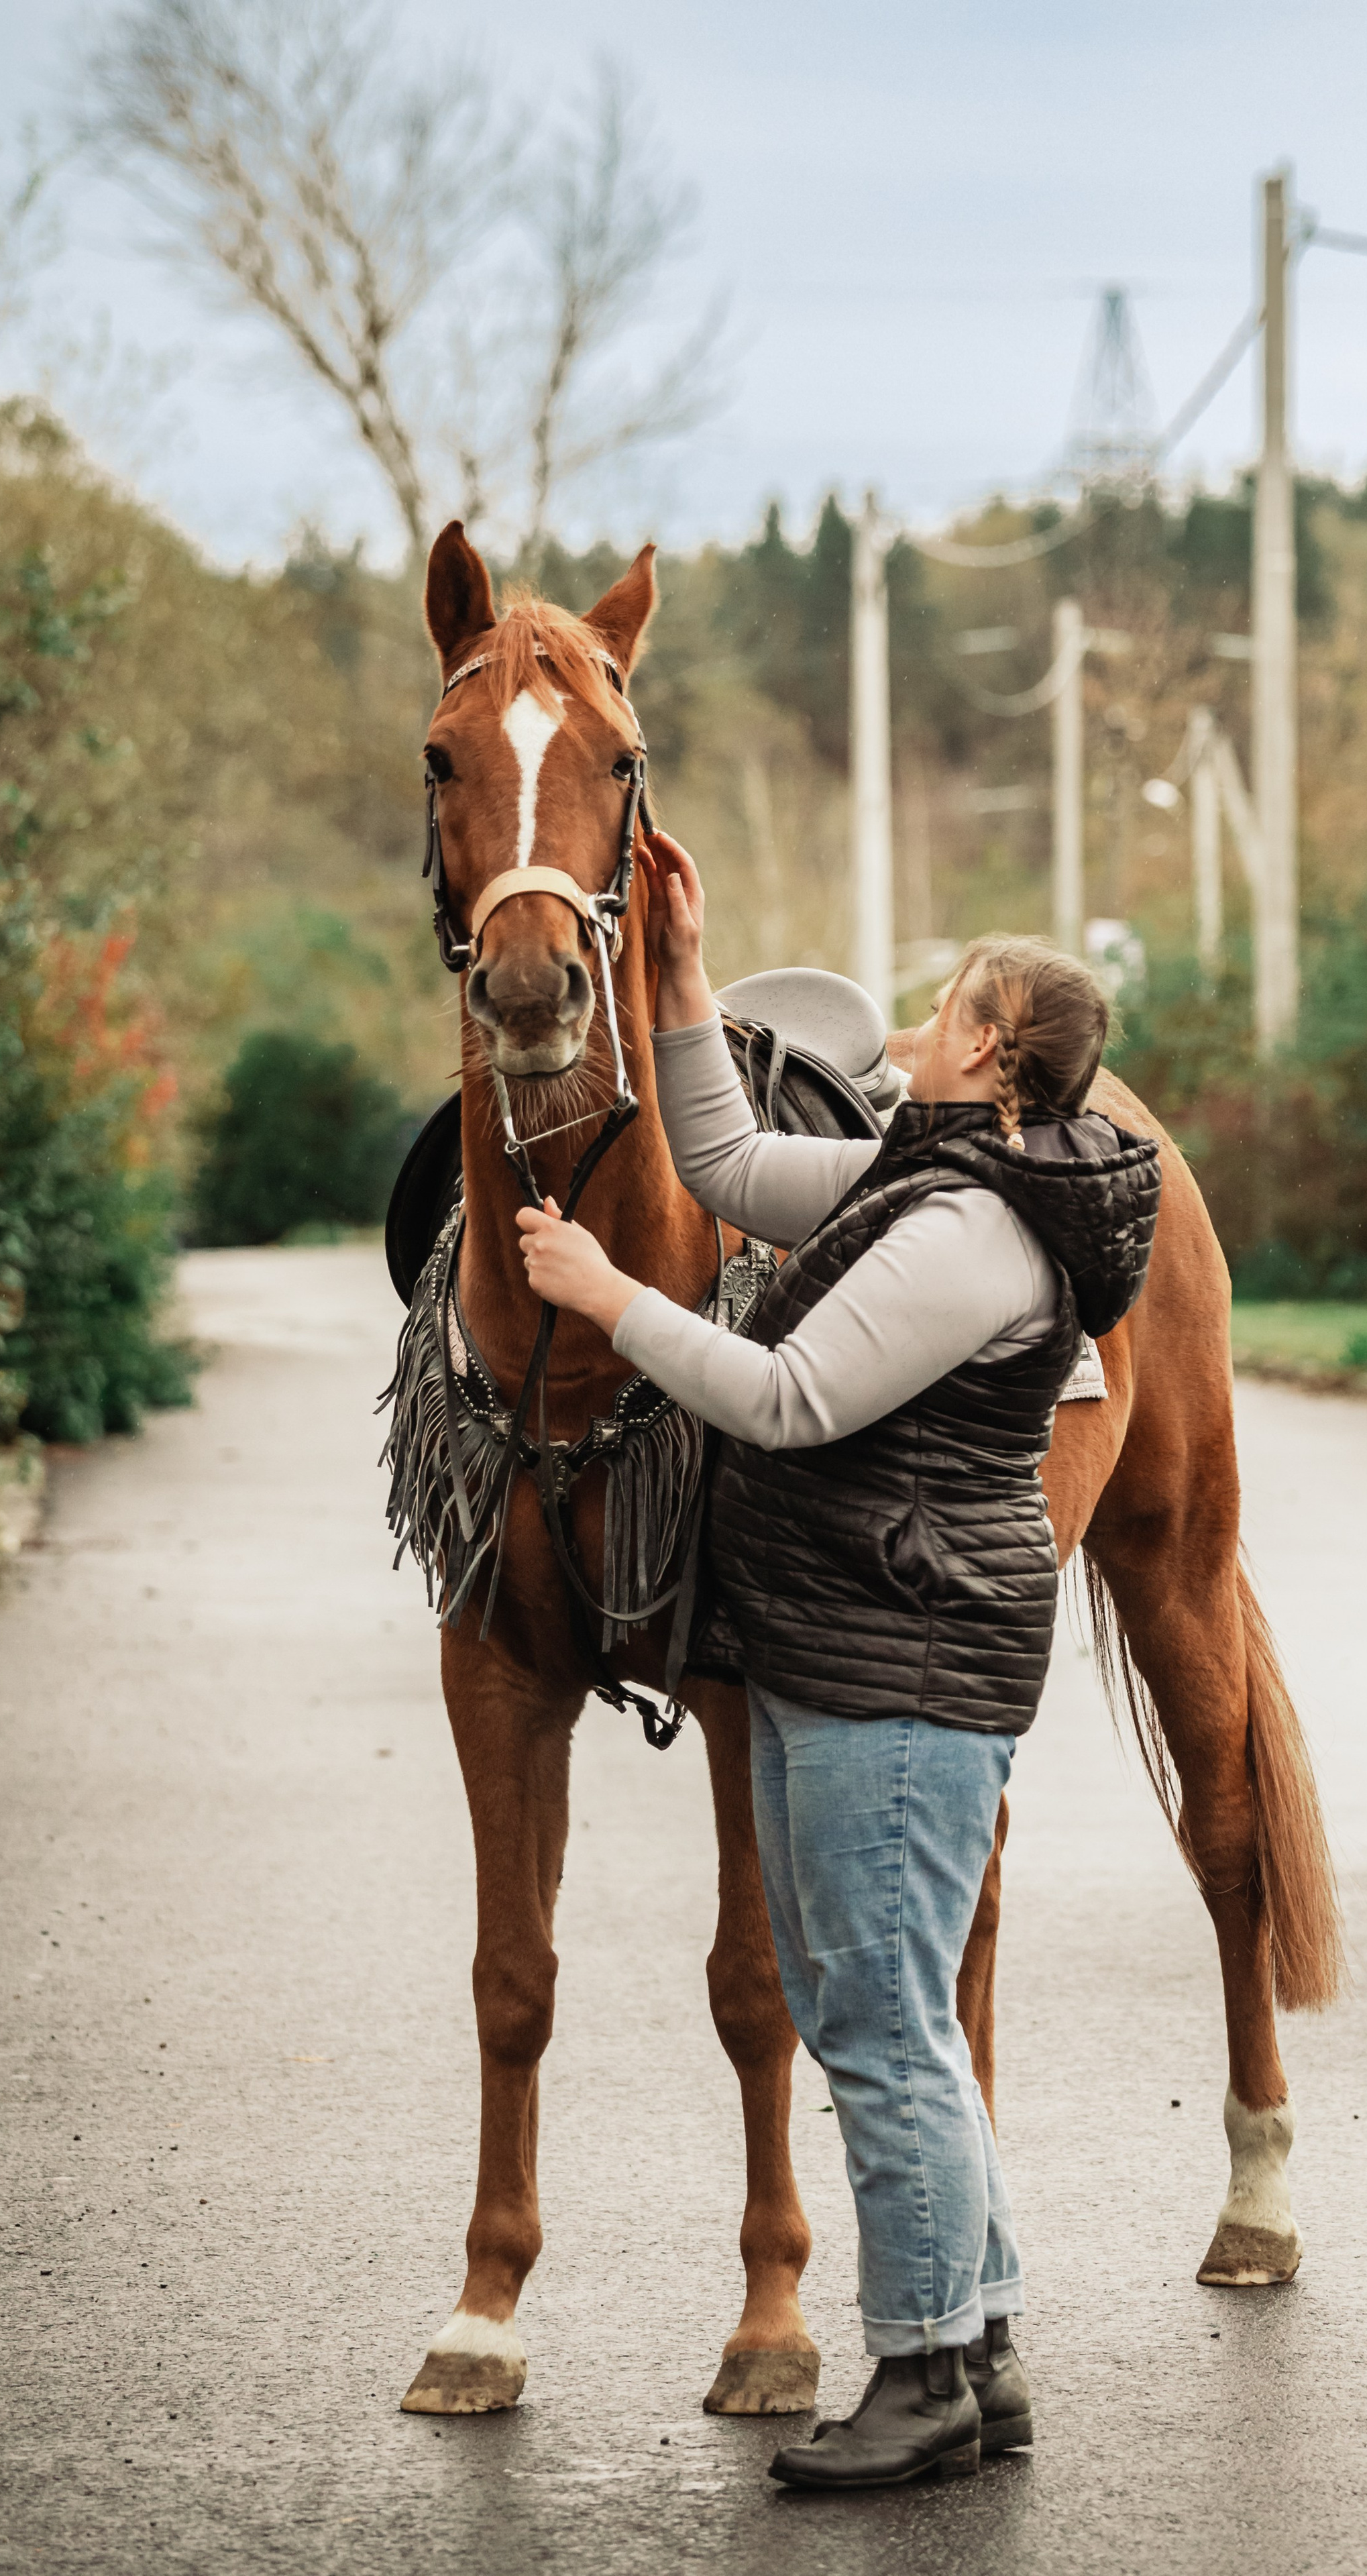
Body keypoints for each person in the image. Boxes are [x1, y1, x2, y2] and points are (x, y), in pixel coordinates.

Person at [516, 835, 1157, 2491]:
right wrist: (677, 976)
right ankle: (980, 2339)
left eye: (952, 1009)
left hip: (901, 1659)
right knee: (873, 2006)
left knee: (875, 2020)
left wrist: (602, 1298)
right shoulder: (922, 1176)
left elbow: (791, 1398)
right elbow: (724, 1159)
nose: (925, 1021)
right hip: (844, 1640)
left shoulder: (973, 1239)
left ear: (991, 1059)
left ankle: (926, 2368)